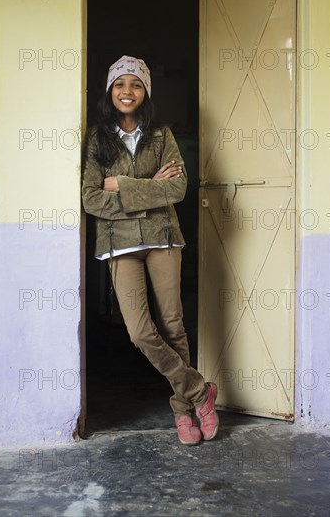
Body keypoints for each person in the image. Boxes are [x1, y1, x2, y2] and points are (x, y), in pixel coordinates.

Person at [82, 55, 219, 445]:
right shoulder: (96, 139)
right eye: (121, 84)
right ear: (111, 91)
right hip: (119, 244)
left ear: (145, 92)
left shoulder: (162, 135)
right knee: (141, 331)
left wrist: (121, 184)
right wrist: (147, 187)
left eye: (136, 85)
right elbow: (91, 197)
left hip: (163, 237)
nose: (128, 91)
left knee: (174, 325)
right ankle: (198, 392)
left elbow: (176, 189)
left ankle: (183, 412)